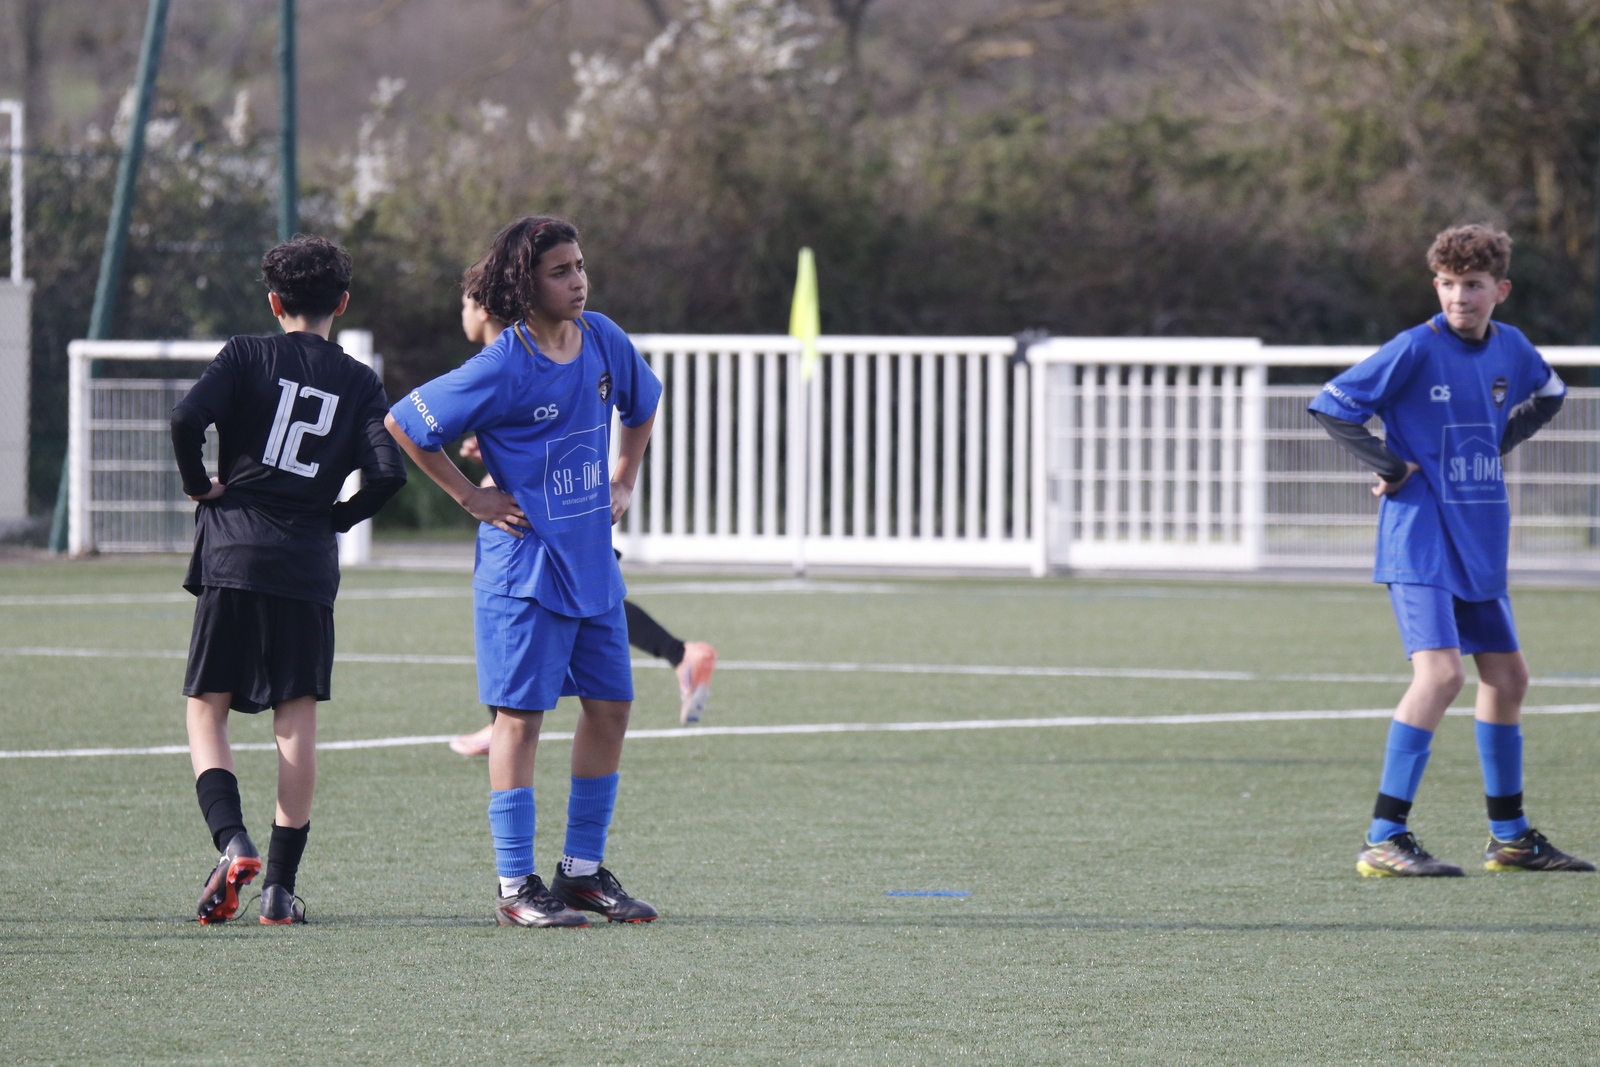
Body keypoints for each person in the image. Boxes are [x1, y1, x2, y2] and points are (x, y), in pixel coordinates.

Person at [385, 215, 663, 927]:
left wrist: (624, 478)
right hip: (524, 571)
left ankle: (580, 873)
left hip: (592, 564)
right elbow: (406, 422)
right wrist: (471, 497)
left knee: (612, 706)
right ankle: (515, 886)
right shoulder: (503, 364)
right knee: (520, 720)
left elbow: (643, 403)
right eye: (560, 271)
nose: (578, 281)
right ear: (524, 283)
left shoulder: (603, 338)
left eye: (580, 266)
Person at [1309, 223, 1593, 878]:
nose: (1459, 296)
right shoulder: (1415, 347)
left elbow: (1552, 395)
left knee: (1510, 680)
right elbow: (1331, 405)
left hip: (1480, 533)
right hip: (1420, 536)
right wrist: (1392, 465)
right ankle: (1383, 837)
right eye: (1447, 284)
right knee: (1441, 676)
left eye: (1473, 284)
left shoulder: (1513, 347)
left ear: (1501, 290)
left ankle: (1510, 838)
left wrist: (1493, 443)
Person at [171, 235, 406, 924]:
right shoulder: (360, 381)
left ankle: (231, 841)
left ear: (274, 302)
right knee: (295, 718)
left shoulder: (246, 353)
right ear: (343, 303)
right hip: (304, 564)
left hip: (233, 553)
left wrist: (199, 485)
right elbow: (388, 473)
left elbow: (186, 417)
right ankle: (278, 890)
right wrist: (336, 518)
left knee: (206, 707)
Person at [444, 290, 715, 757]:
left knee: (561, 614)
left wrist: (473, 495)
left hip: (552, 528)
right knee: (586, 606)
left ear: (484, 309)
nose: (462, 314)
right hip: (571, 518)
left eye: (466, 304)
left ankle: (677, 653)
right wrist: (491, 453)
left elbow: (407, 423)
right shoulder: (516, 359)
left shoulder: (526, 356)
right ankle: (679, 654)